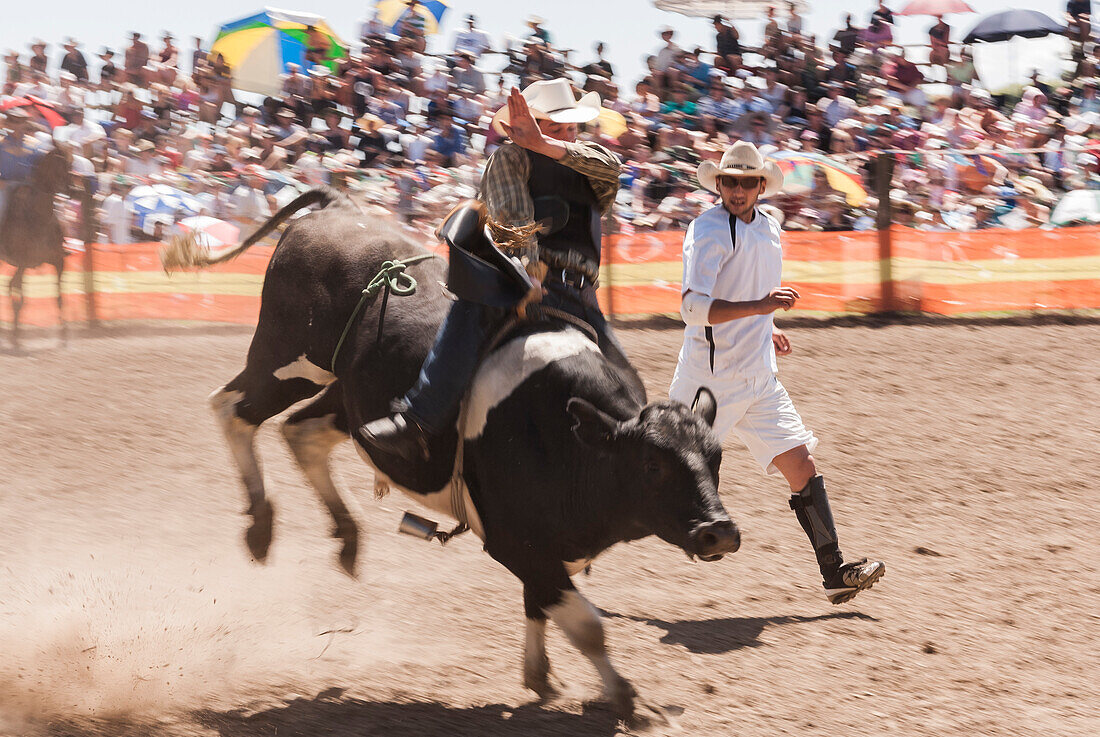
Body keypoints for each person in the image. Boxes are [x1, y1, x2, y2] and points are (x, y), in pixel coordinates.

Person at [359, 79, 640, 461]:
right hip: (528, 283)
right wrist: (529, 274)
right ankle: (419, 420)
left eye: (570, 127)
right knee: (470, 311)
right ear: (521, 127)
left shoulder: (589, 159)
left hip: (583, 296)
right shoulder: (511, 157)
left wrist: (545, 143)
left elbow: (611, 167)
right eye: (553, 127)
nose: (565, 134)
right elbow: (513, 222)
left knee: (630, 396)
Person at [669, 141, 886, 605]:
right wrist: (762, 308)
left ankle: (834, 571)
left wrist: (767, 326)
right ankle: (574, 546)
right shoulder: (707, 230)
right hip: (709, 381)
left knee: (803, 467)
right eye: (730, 181)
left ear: (762, 186)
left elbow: (748, 291)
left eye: (748, 181)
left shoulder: (769, 228)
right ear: (719, 183)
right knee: (664, 479)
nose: (738, 189)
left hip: (759, 378)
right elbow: (692, 308)